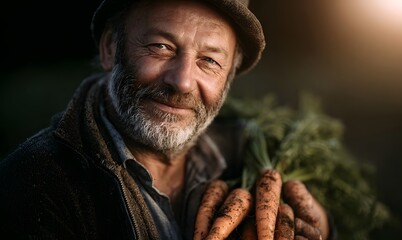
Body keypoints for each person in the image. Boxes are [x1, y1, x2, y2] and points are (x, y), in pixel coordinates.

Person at [0, 0, 335, 239]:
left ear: (229, 78)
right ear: (109, 49)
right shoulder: (35, 184)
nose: (183, 82)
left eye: (209, 60)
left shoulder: (242, 153)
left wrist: (321, 227)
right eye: (161, 47)